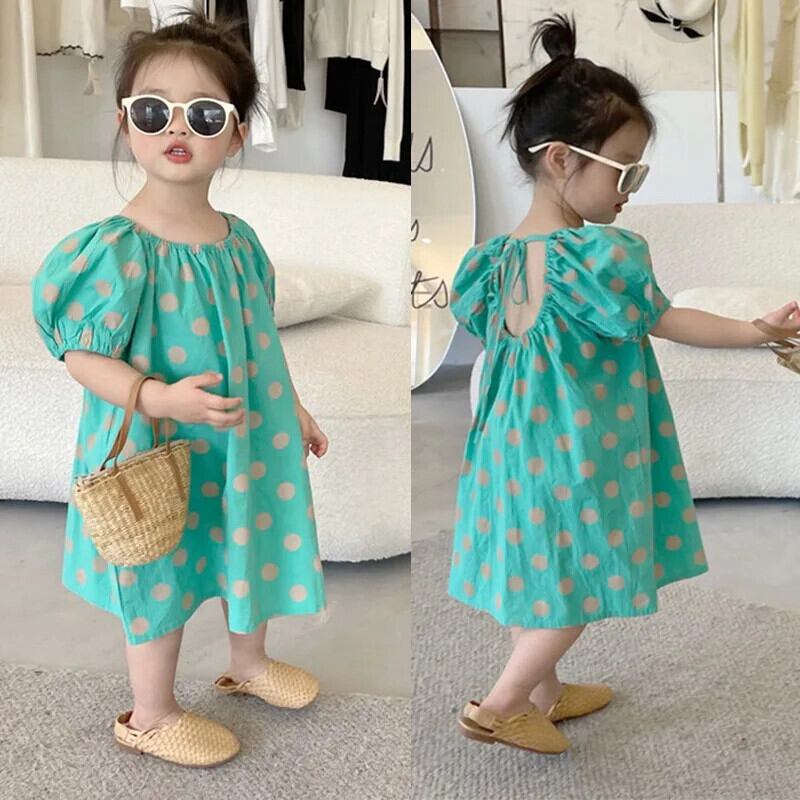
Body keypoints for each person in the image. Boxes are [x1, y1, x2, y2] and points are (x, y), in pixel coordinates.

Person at [448, 12, 800, 755]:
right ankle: (502, 704)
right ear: (560, 161)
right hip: (578, 452)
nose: (631, 188)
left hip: (508, 448)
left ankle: (544, 693)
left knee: (542, 573)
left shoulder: (492, 260)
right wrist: (754, 331)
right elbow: (669, 320)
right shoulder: (602, 259)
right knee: (581, 579)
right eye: (624, 170)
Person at [31, 10, 328, 768]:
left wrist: (292, 407)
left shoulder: (242, 242)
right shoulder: (114, 250)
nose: (177, 128)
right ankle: (151, 712)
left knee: (246, 541)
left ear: (235, 135)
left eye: (204, 115)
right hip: (156, 444)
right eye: (153, 111)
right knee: (158, 568)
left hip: (240, 439)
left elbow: (261, 344)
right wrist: (157, 399)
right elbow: (80, 356)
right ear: (124, 122)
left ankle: (249, 662)